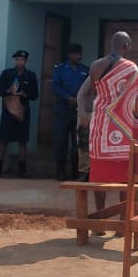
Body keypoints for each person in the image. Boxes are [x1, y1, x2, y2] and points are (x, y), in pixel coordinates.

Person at [85, 32, 138, 218]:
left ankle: (99, 218)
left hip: (100, 125)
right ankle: (123, 221)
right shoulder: (131, 68)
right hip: (122, 129)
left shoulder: (95, 66)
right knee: (124, 177)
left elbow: (94, 92)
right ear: (126, 46)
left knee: (99, 176)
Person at [0, 50, 40, 178]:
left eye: (23, 60)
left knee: (22, 140)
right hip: (8, 109)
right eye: (18, 60)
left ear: (26, 61)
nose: (20, 62)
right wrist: (8, 90)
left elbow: (35, 95)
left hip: (22, 109)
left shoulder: (30, 75)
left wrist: (25, 94)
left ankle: (22, 169)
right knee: (3, 139)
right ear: (15, 60)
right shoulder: (7, 73)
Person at [52, 43, 88, 180]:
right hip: (63, 108)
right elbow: (55, 86)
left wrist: (79, 100)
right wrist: (67, 98)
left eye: (79, 54)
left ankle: (76, 171)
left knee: (78, 141)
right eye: (75, 54)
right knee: (61, 140)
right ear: (69, 55)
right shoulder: (60, 69)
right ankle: (60, 170)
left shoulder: (85, 69)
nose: (78, 56)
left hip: (79, 110)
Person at [75, 78, 94, 182]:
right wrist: (83, 115)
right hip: (87, 113)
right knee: (84, 144)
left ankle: (93, 172)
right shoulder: (93, 76)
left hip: (102, 115)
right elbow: (80, 95)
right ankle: (83, 172)